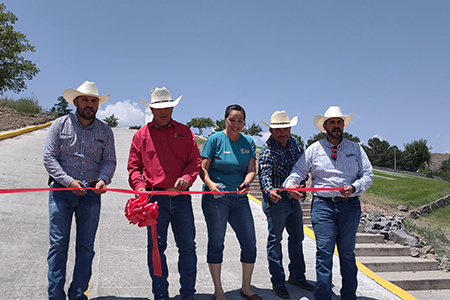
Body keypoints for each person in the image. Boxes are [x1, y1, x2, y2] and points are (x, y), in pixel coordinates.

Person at [283, 106, 373, 300]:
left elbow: (368, 175)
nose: (336, 126)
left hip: (349, 205)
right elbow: (297, 172)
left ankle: (349, 296)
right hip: (323, 206)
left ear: (343, 125)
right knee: (324, 254)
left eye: (339, 122)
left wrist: (355, 187)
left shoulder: (356, 148)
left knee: (347, 254)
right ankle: (322, 296)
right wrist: (291, 185)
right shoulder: (314, 149)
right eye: (332, 122)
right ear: (324, 126)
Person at [43, 81, 117, 300]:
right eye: (85, 99)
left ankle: (78, 295)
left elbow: (110, 161)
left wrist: (103, 180)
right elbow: (49, 157)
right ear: (75, 102)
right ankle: (55, 296)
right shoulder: (59, 125)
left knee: (86, 247)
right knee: (58, 246)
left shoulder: (105, 130)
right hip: (61, 193)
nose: (89, 104)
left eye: (94, 100)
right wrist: (67, 181)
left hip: (92, 196)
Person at [127, 87, 201, 300]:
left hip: (181, 198)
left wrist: (187, 179)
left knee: (187, 246)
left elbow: (195, 161)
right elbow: (134, 166)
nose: (163, 112)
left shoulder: (185, 132)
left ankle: (188, 294)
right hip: (154, 199)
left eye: (167, 107)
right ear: (151, 109)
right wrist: (139, 187)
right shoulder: (141, 135)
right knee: (156, 249)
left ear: (172, 107)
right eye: (159, 108)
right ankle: (160, 294)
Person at [200, 104, 261, 300]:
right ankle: (218, 291)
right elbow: (202, 169)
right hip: (217, 199)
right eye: (232, 120)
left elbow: (252, 169)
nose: (236, 124)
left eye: (240, 120)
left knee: (250, 243)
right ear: (225, 120)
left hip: (240, 199)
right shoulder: (214, 140)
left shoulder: (248, 142)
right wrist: (210, 184)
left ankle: (246, 288)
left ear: (244, 122)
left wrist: (247, 181)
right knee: (217, 243)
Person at [258, 111, 315, 299]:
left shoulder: (296, 144)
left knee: (297, 237)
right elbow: (264, 175)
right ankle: (278, 281)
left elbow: (303, 167)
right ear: (271, 130)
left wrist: (302, 184)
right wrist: (269, 191)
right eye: (278, 130)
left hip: (293, 199)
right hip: (277, 201)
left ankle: (297, 276)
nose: (282, 133)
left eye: (285, 129)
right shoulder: (267, 150)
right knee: (275, 240)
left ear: (290, 129)